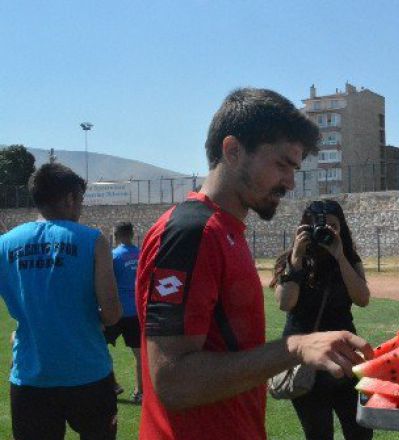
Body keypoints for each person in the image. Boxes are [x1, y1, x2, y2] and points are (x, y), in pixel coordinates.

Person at [136, 88, 373, 440]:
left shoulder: (227, 231)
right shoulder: (191, 233)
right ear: (232, 151)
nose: (291, 182)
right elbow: (173, 382)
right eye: (282, 165)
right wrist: (295, 347)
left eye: (294, 168)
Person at [0, 163, 122, 439]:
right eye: (79, 200)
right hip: (88, 373)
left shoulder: (6, 243)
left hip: (31, 375)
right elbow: (112, 313)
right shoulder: (92, 240)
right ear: (70, 198)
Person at [271, 199, 372, 440]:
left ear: (342, 228)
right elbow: (285, 303)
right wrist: (296, 258)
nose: (324, 231)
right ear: (304, 227)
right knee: (318, 434)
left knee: (361, 432)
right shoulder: (291, 260)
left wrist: (340, 256)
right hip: (307, 359)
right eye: (317, 226)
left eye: (333, 226)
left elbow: (362, 298)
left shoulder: (348, 259)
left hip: (345, 356)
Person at [103, 221, 143, 403]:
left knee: (98, 346)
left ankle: (112, 384)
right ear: (132, 234)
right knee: (139, 353)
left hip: (117, 311)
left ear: (116, 235)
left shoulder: (114, 256)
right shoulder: (142, 254)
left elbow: (107, 283)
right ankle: (139, 392)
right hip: (136, 311)